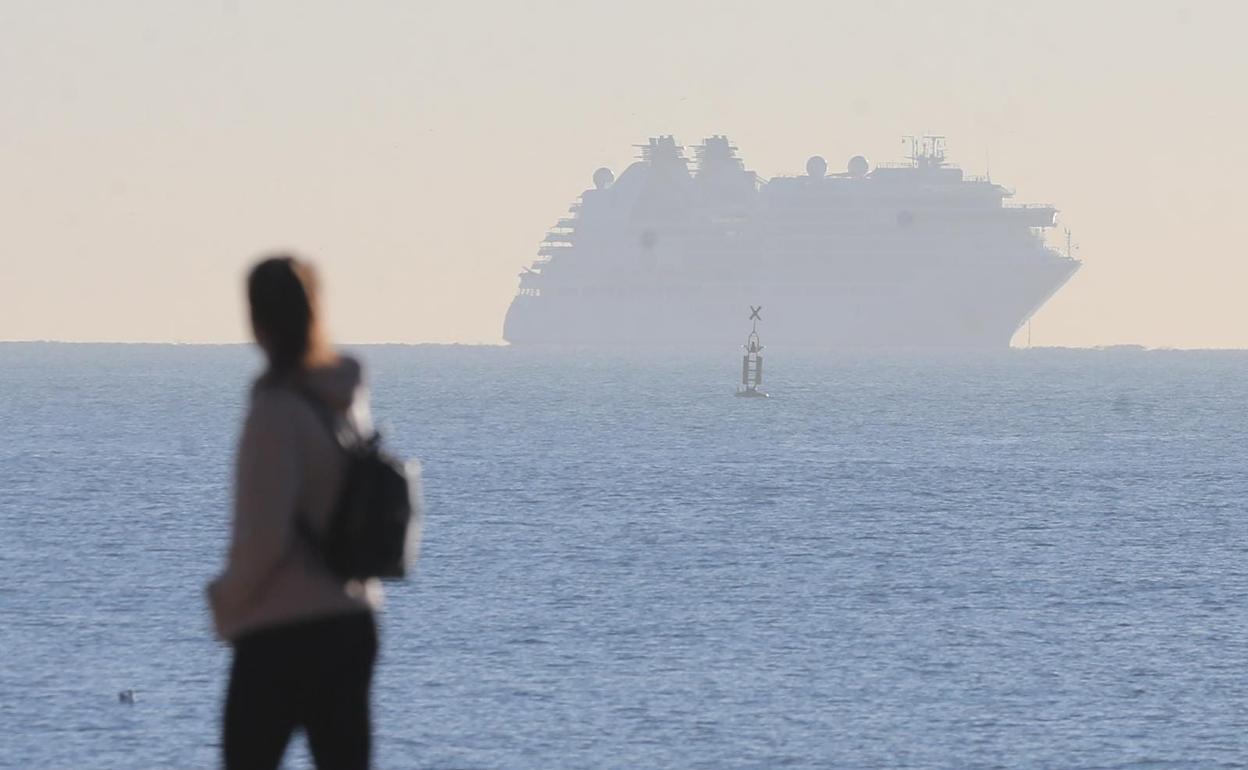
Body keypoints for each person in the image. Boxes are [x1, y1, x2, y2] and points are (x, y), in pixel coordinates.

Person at [208, 254, 382, 770]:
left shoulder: (273, 413)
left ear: (257, 321)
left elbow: (263, 539)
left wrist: (224, 605)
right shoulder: (344, 400)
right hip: (352, 621)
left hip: (280, 632)